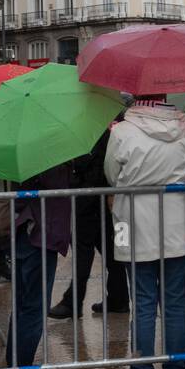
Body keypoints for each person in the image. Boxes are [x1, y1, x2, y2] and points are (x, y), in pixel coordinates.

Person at [107, 94, 185, 369]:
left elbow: (112, 176)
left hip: (133, 224)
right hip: (175, 225)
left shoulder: (122, 132)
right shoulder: (184, 130)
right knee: (174, 307)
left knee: (142, 305)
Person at [0, 164, 72, 369]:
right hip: (37, 233)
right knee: (31, 310)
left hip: (32, 231)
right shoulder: (44, 155)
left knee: (25, 307)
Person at [50, 127, 129, 318]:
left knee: (85, 253)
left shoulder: (92, 135)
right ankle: (118, 298)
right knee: (110, 252)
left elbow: (90, 167)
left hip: (89, 201)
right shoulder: (103, 132)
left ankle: (72, 302)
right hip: (99, 201)